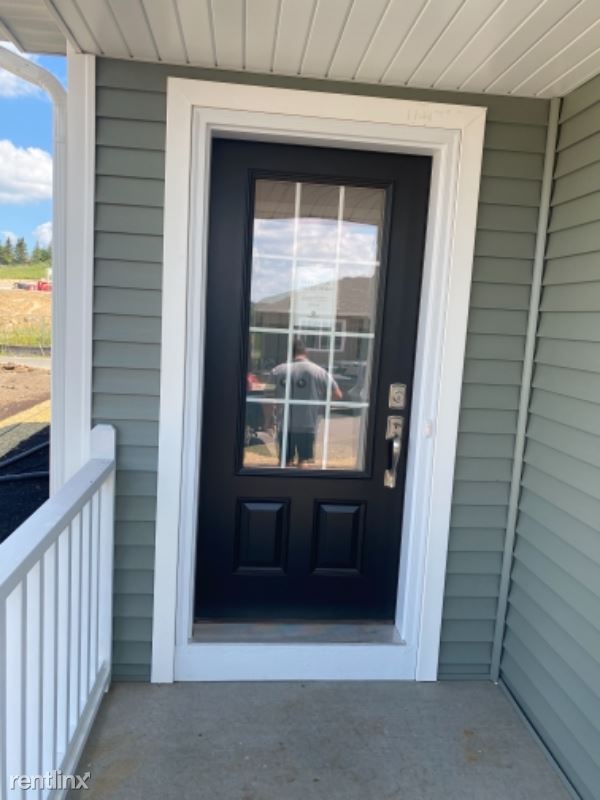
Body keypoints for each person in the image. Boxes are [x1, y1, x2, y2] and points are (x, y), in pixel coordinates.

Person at [271, 337, 342, 467]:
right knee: (303, 462)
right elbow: (337, 394)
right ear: (306, 352)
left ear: (288, 352)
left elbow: (268, 397)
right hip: (308, 425)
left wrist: (268, 420)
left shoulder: (277, 371)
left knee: (284, 462)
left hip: (285, 425)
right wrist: (321, 405)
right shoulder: (319, 371)